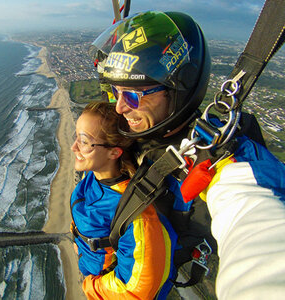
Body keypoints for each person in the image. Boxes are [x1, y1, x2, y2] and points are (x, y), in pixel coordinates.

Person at [89, 10, 285, 299]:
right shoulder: (139, 132)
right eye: (113, 91)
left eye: (132, 95)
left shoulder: (227, 161)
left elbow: (258, 229)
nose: (119, 108)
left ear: (177, 89)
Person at [70, 101, 178, 299]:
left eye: (84, 141)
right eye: (76, 137)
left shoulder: (136, 212)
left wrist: (89, 286)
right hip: (92, 268)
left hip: (103, 287)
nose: (73, 146)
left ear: (114, 152)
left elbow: (135, 289)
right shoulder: (94, 176)